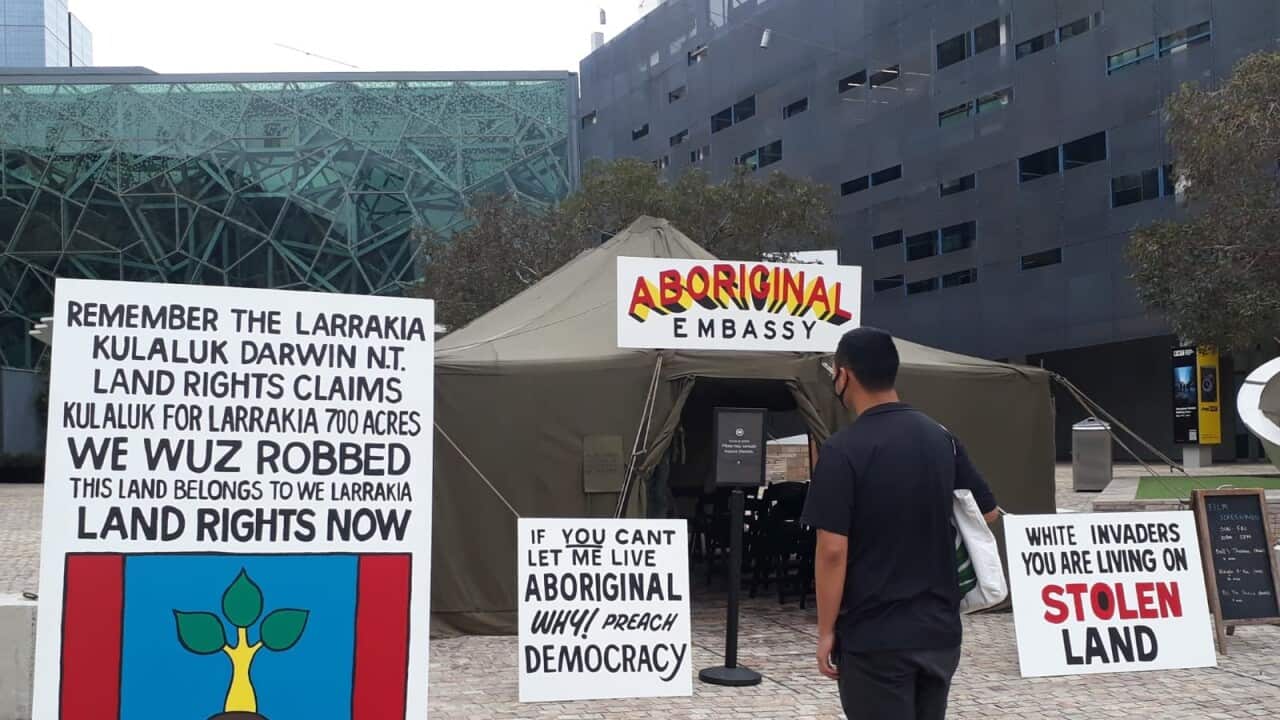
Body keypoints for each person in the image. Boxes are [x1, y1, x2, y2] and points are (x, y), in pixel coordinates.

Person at [801, 327, 999, 720]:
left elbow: (832, 550)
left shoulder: (842, 450)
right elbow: (987, 512)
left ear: (845, 375)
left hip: (875, 636)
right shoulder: (941, 438)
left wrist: (826, 632)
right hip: (939, 633)